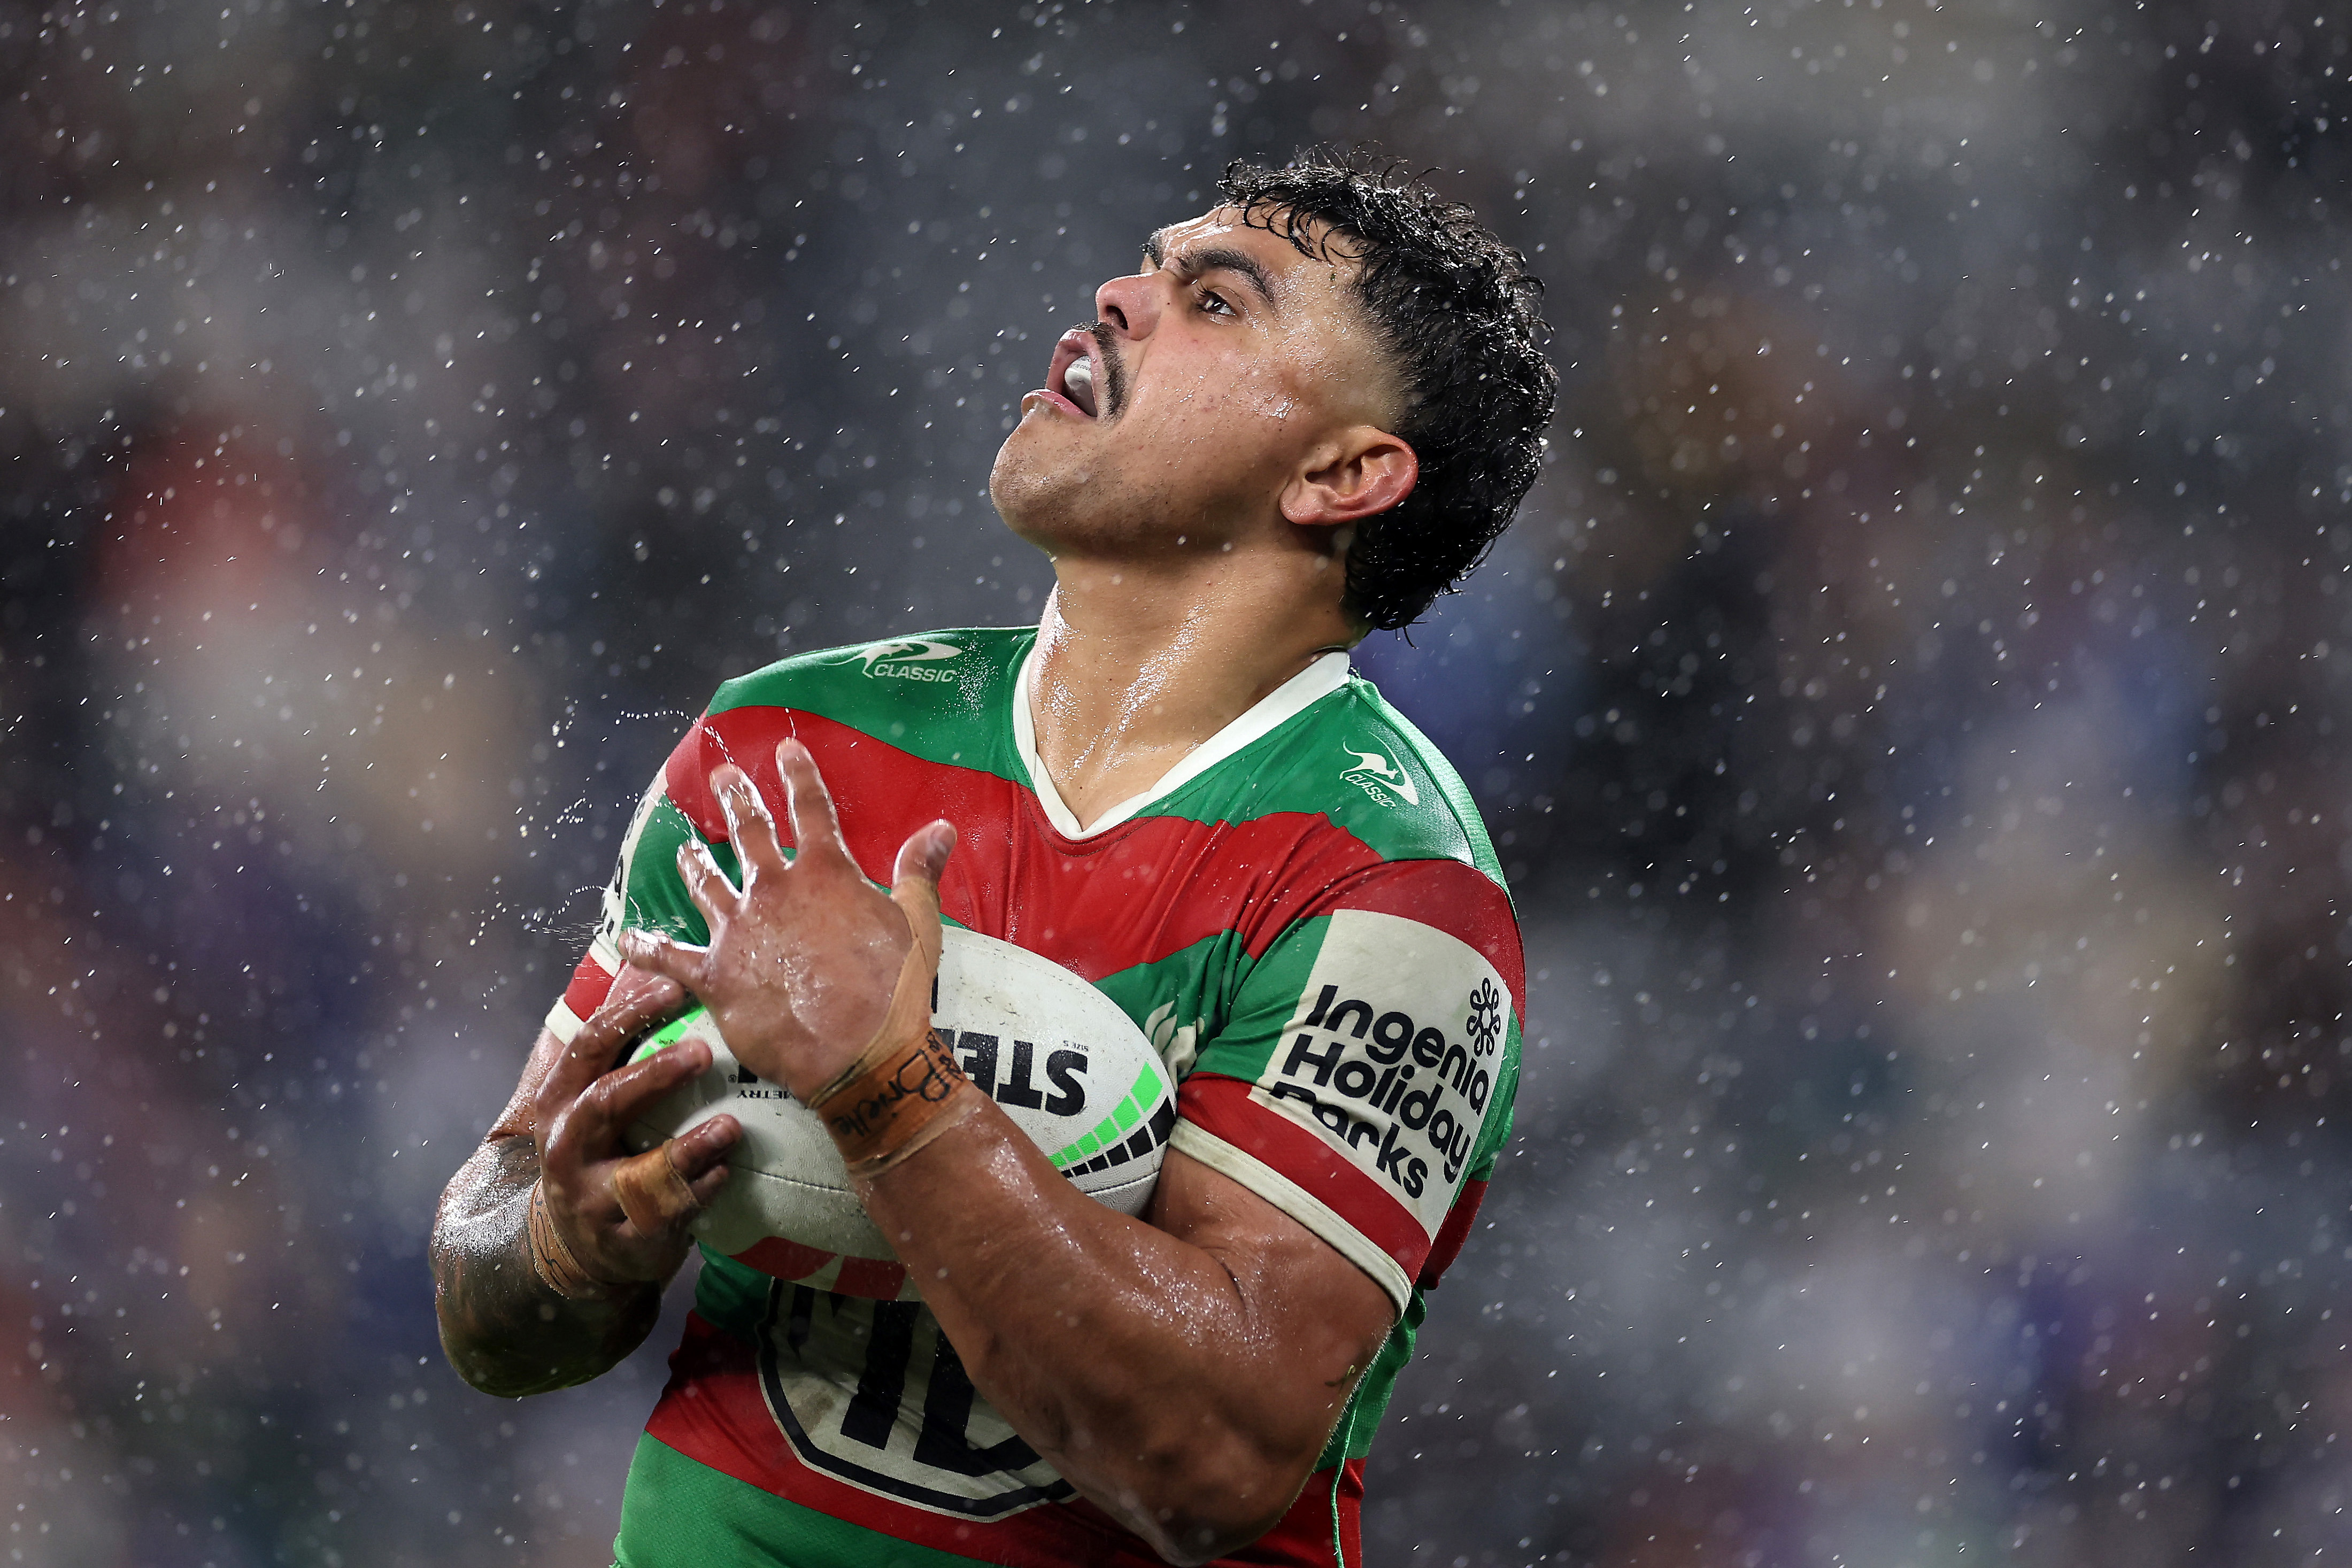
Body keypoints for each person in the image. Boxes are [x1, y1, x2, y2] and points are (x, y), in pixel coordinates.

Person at [429, 150, 1555, 1567]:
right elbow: (489, 1288)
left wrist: (886, 1091)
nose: (1120, 297)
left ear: (1342, 473)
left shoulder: (1395, 891)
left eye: (1215, 300)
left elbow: (1213, 1463)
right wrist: (565, 1243)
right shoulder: (787, 748)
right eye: (1149, 264)